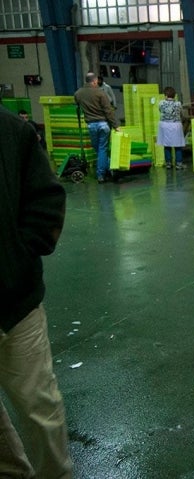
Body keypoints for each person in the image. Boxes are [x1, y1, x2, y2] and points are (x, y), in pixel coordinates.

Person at [0, 103, 73, 478]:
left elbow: (47, 201)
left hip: (15, 304)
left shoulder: (12, 132)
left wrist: (15, 258)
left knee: (39, 407)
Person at [74, 71, 119, 183]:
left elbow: (78, 105)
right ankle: (101, 174)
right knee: (102, 149)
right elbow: (108, 111)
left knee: (98, 149)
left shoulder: (78, 93)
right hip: (103, 125)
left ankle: (107, 168)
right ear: (95, 81)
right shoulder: (100, 93)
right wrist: (116, 125)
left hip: (91, 125)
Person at [157, 86, 187, 170]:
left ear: (165, 95)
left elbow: (160, 111)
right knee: (178, 145)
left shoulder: (161, 103)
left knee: (167, 145)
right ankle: (179, 164)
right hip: (176, 125)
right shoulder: (178, 103)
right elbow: (181, 114)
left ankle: (168, 163)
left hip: (165, 125)